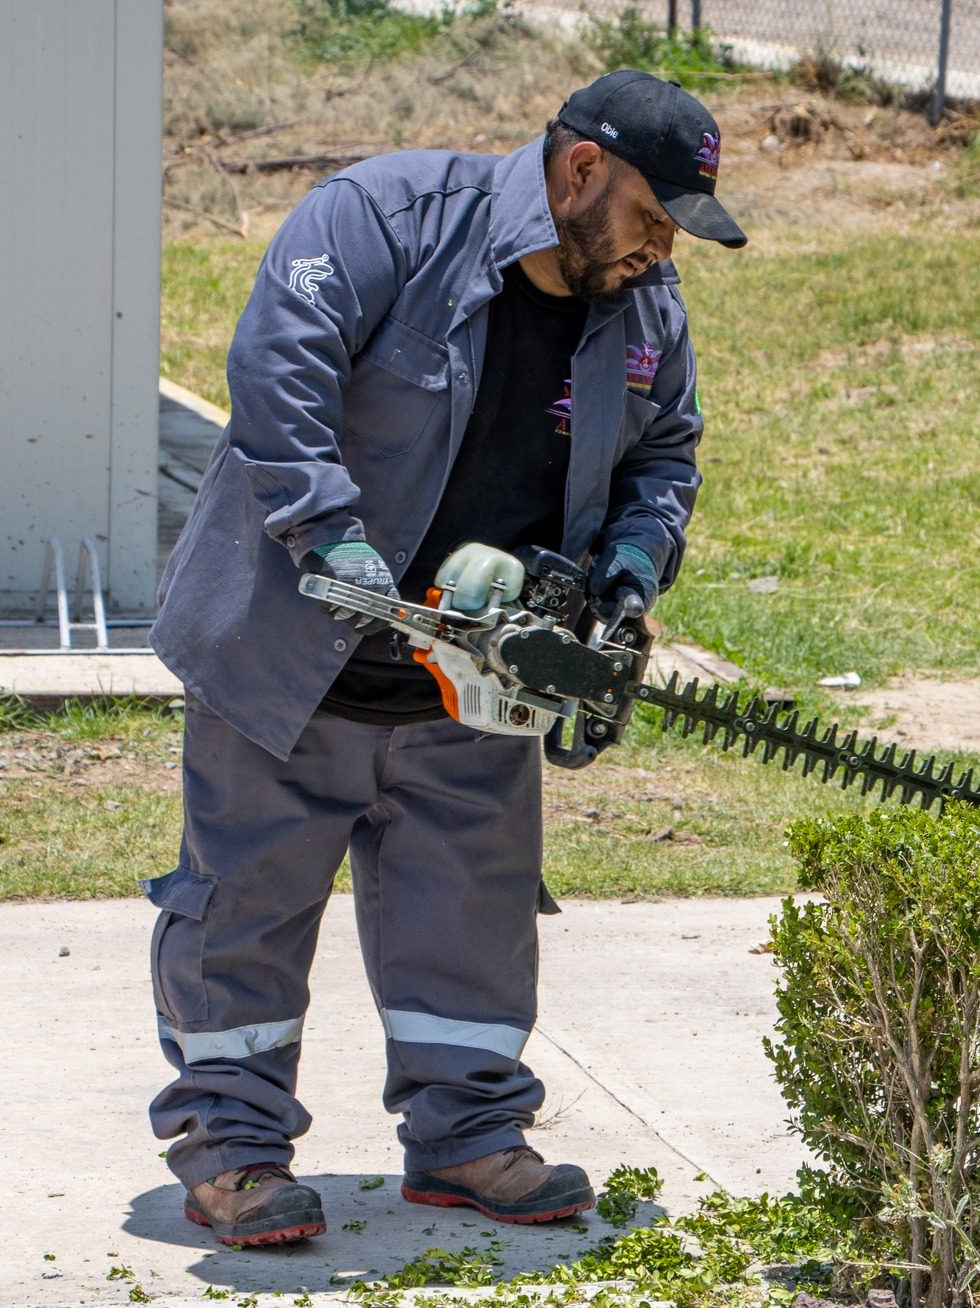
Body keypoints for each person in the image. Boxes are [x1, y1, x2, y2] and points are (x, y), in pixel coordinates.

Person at [146, 70, 745, 1247]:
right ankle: (232, 1151)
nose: (663, 246)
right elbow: (281, 368)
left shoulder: (643, 309)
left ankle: (468, 1137)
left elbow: (664, 450)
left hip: (482, 679)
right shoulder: (383, 218)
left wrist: (631, 569)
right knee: (242, 912)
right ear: (580, 171)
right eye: (652, 215)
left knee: (469, 916)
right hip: (291, 660)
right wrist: (330, 533)